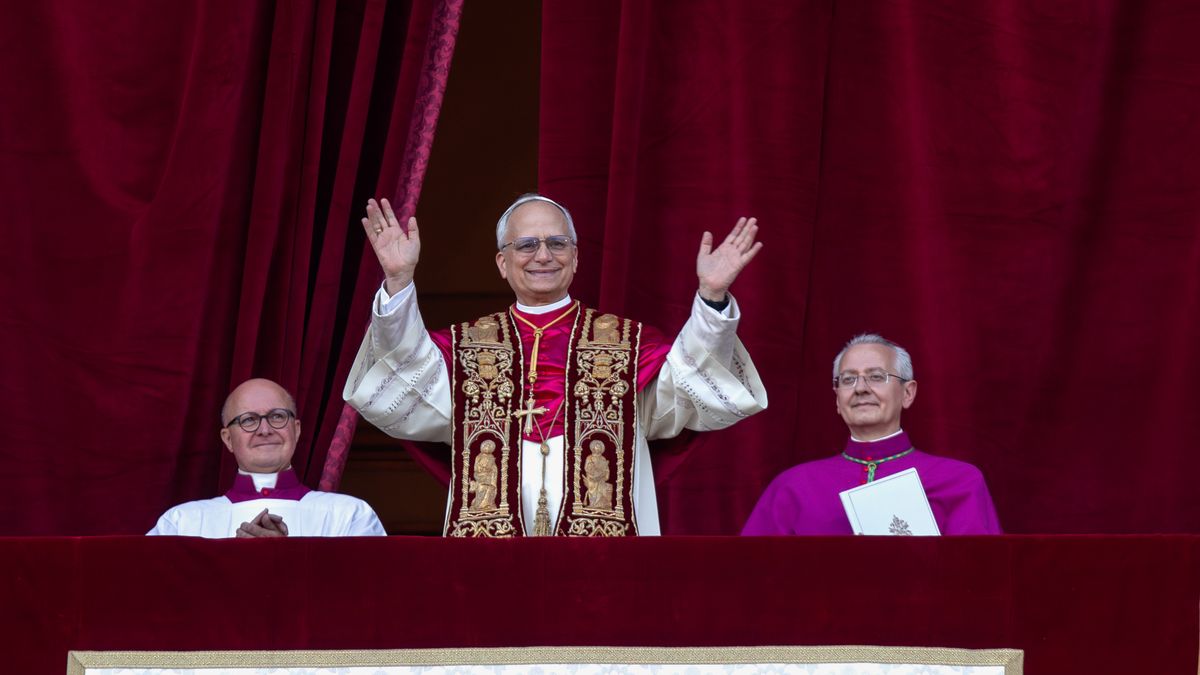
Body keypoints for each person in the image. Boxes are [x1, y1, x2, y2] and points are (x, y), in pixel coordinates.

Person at [344, 193, 768, 536]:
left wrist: (711, 298)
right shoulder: (465, 347)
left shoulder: (628, 345)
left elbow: (689, 391)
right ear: (502, 263)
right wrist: (398, 282)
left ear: (576, 257)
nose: (543, 255)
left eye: (557, 243)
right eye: (526, 244)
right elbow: (404, 385)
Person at [742, 334, 1001, 535]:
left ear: (908, 393)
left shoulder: (959, 482)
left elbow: (981, 579)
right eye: (848, 379)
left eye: (876, 377)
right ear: (837, 399)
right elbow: (752, 575)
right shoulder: (793, 487)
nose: (861, 388)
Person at [148, 378, 386, 538]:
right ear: (228, 439)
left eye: (277, 416)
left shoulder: (350, 516)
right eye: (248, 420)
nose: (264, 430)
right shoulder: (181, 524)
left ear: (297, 429)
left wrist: (287, 561)